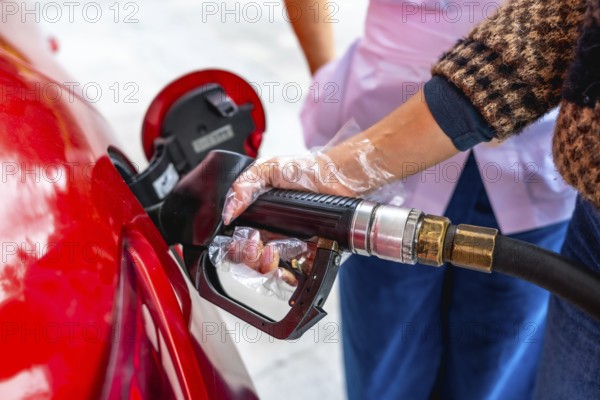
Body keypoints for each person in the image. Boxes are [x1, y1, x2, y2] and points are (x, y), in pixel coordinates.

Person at [223, 0, 600, 398]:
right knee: (385, 364)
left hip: (530, 163)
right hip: (392, 129)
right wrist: (328, 94)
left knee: (495, 371)